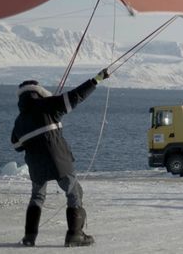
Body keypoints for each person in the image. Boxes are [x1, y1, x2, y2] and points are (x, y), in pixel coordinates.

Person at [11, 69, 110, 247]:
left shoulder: (19, 121)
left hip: (36, 166)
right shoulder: (49, 106)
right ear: (38, 92)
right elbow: (76, 96)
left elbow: (16, 146)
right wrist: (96, 80)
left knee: (37, 197)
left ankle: (29, 237)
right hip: (59, 161)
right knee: (74, 193)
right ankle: (75, 235)